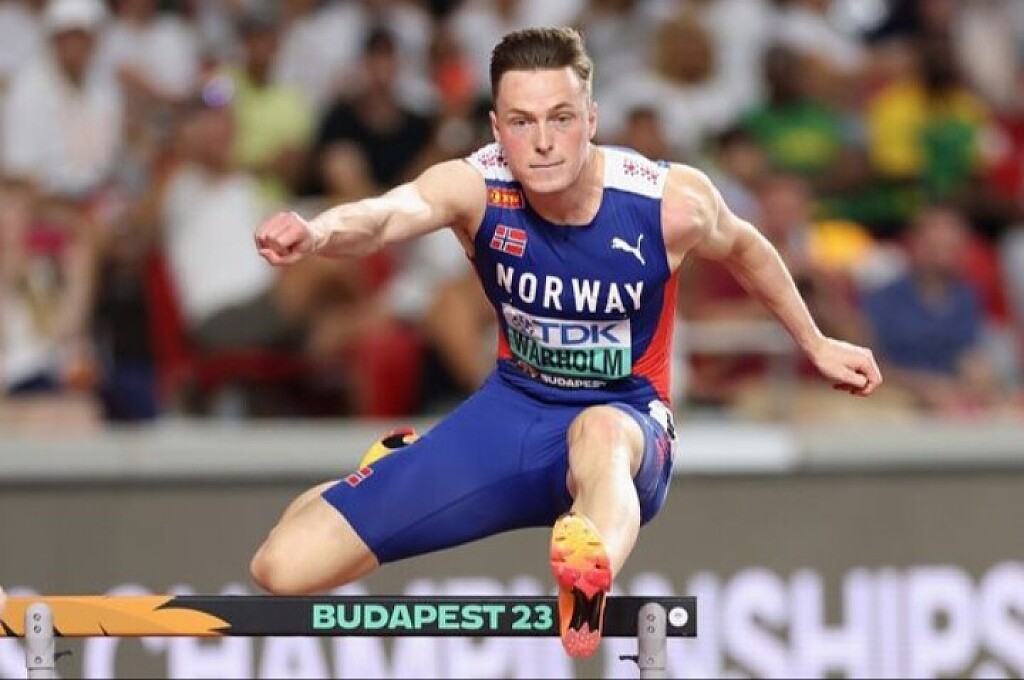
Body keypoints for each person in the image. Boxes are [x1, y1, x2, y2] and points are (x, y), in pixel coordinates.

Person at [250, 27, 882, 657]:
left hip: (627, 420)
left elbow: (746, 247)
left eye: (561, 117)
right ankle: (386, 472)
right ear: (497, 129)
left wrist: (815, 342)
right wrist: (317, 232)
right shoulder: (477, 186)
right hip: (512, 418)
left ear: (592, 119)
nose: (544, 142)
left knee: (598, 433)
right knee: (282, 568)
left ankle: (586, 583)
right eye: (522, 122)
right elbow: (389, 213)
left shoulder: (665, 200)